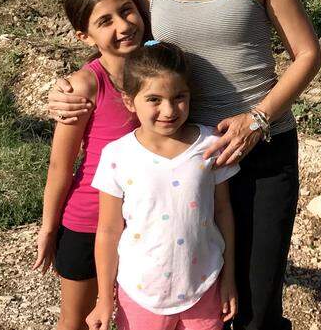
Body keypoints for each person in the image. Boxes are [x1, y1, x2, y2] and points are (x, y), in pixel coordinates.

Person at [50, 0, 321, 329]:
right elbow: (122, 54)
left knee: (257, 306)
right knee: (185, 293)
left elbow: (307, 55)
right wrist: (70, 86)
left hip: (263, 155)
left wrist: (258, 120)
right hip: (184, 162)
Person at [86, 40, 239, 330]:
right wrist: (104, 298)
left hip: (204, 286)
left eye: (179, 97)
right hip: (141, 293)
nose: (169, 110)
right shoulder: (117, 156)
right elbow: (107, 230)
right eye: (154, 99)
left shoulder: (211, 145)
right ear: (130, 101)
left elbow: (223, 212)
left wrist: (229, 277)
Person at [34, 0, 144, 330]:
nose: (124, 25)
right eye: (105, 21)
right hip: (88, 223)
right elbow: (60, 166)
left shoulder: (160, 70)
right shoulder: (83, 86)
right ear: (84, 36)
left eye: (127, 11)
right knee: (78, 322)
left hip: (144, 223)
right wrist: (49, 229)